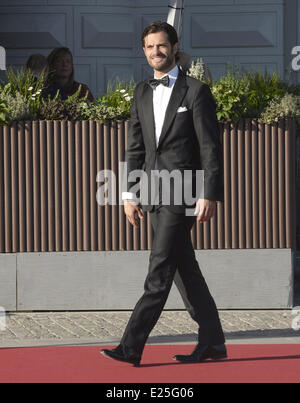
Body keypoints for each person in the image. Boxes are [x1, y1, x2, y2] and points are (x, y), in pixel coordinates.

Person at [101, 21, 226, 366]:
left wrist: (209, 193)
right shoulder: (141, 91)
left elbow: (210, 148)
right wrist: (128, 195)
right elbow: (136, 147)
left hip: (183, 193)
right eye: (150, 47)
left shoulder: (196, 91)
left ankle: (131, 346)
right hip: (154, 194)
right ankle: (213, 342)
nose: (156, 51)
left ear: (174, 47)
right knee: (186, 270)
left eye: (162, 45)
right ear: (144, 51)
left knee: (159, 270)